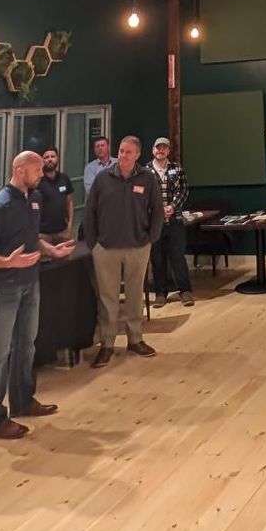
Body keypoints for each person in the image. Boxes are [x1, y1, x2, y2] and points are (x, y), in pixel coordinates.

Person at [0, 151, 75, 441]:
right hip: (2, 288)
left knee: (26, 344)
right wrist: (6, 262)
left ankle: (23, 400)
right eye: (37, 170)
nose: (42, 175)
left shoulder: (34, 199)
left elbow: (32, 238)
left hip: (30, 283)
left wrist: (51, 250)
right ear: (20, 170)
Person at [82, 135, 162, 366]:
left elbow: (157, 210)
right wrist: (93, 244)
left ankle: (135, 339)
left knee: (135, 296)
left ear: (137, 155)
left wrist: (151, 238)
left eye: (128, 152)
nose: (124, 156)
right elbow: (90, 212)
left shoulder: (147, 178)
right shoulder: (102, 178)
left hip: (138, 247)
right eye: (121, 151)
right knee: (108, 298)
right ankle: (107, 344)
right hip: (106, 248)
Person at [147, 136, 192, 308]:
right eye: (158, 147)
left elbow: (183, 190)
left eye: (164, 148)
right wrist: (158, 210)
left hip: (175, 220)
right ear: (153, 150)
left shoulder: (176, 168)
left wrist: (173, 206)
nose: (161, 150)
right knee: (157, 258)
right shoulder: (145, 171)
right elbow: (144, 196)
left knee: (178, 257)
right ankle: (160, 293)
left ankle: (185, 291)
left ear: (168, 151)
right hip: (155, 222)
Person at [36, 147, 74, 240]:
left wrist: (69, 225)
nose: (50, 159)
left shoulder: (64, 179)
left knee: (66, 254)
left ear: (57, 158)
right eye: (46, 157)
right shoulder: (36, 181)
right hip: (42, 235)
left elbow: (69, 203)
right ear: (42, 160)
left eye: (53, 156)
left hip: (63, 232)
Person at [81, 135, 115, 201]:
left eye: (102, 145)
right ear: (94, 150)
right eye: (97, 146)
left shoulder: (117, 163)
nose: (100, 148)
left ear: (108, 147)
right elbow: (91, 191)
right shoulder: (90, 168)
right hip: (99, 206)